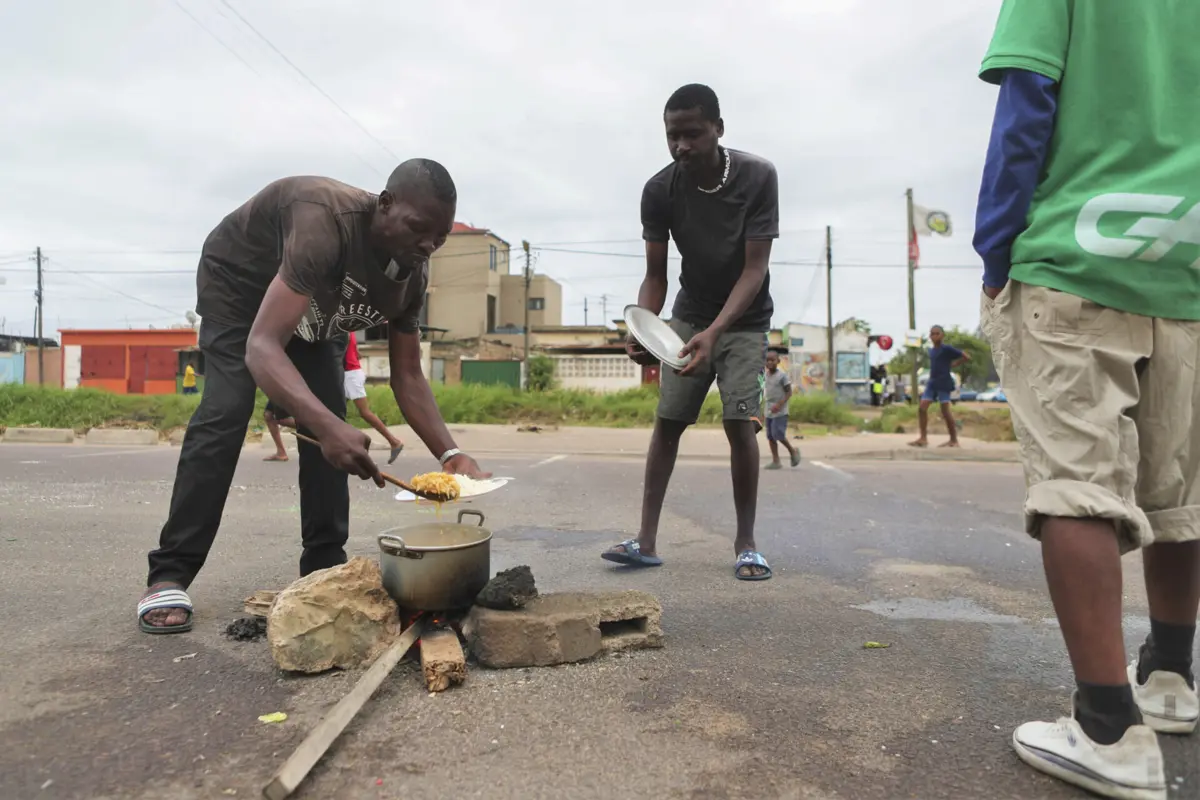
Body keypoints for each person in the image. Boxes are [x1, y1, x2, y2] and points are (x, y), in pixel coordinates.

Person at [974, 2, 1200, 796]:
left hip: (1077, 257)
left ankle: (1108, 726)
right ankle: (1171, 676)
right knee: (1179, 488)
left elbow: (1027, 103)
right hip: (1188, 269)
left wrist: (995, 248)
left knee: (1077, 482)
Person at [138, 162, 490, 635]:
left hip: (315, 315)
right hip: (240, 294)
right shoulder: (323, 220)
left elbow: (407, 375)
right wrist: (324, 426)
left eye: (440, 237)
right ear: (385, 205)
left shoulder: (412, 275)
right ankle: (170, 572)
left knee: (334, 422)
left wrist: (450, 453)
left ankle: (323, 565)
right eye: (417, 229)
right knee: (227, 411)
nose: (427, 245)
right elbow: (261, 346)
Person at [603, 83, 778, 581]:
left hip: (745, 320)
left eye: (693, 134)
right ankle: (645, 540)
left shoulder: (757, 176)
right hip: (689, 313)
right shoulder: (659, 190)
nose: (681, 146)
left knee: (738, 423)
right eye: (672, 136)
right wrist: (645, 325)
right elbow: (656, 274)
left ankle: (746, 544)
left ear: (718, 129)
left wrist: (718, 331)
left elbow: (755, 269)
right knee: (669, 420)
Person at [343, 333, 405, 464]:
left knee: (365, 412)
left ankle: (394, 442)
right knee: (336, 412)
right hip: (350, 373)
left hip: (350, 374)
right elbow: (357, 353)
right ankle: (351, 443)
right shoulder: (350, 331)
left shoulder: (344, 330)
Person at [908, 325, 967, 449]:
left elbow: (966, 356)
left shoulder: (947, 349)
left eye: (937, 333)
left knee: (945, 411)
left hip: (944, 383)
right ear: (930, 336)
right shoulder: (931, 351)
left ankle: (953, 440)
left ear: (942, 335)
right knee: (922, 408)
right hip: (932, 383)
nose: (935, 336)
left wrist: (954, 364)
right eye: (932, 334)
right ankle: (923, 438)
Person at [763, 351, 799, 470]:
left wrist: (779, 404)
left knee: (778, 434)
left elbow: (789, 392)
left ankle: (793, 451)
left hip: (780, 411)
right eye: (767, 360)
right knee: (770, 437)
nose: (769, 362)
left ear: (778, 361)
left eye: (772, 360)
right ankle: (776, 461)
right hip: (769, 410)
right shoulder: (765, 375)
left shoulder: (782, 376)